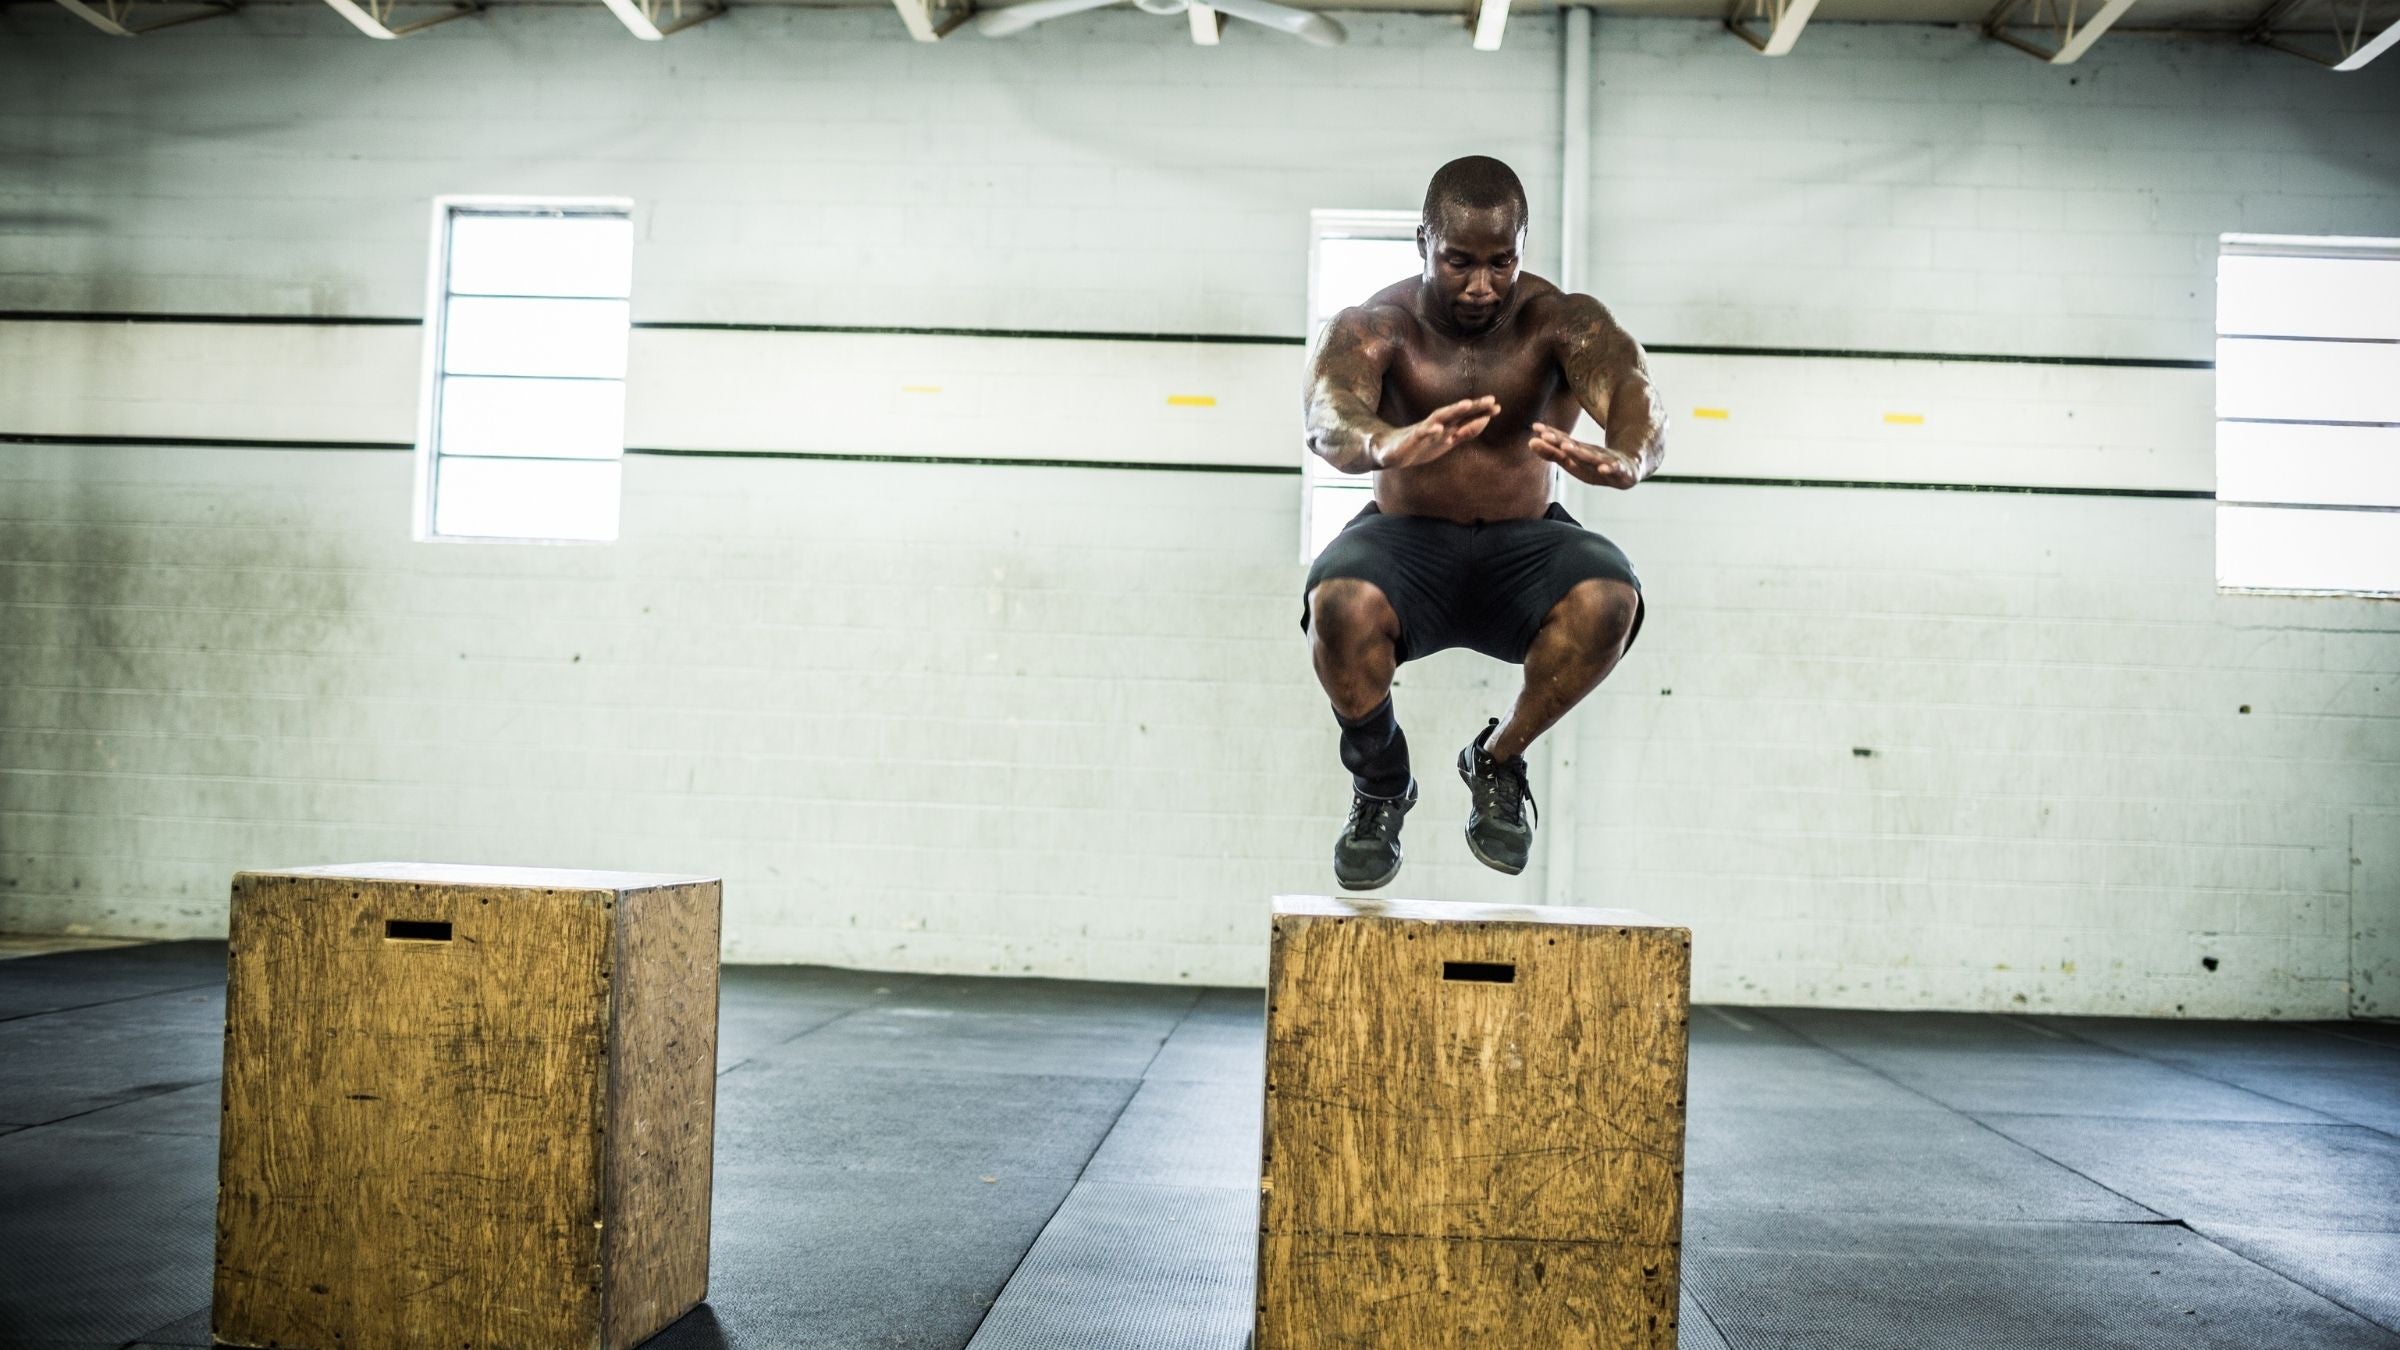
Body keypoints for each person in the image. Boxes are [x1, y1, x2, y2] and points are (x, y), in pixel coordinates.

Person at [1300, 154, 1665, 889]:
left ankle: (1497, 761)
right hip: (1404, 542)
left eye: (1502, 262)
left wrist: (1631, 455)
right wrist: (1383, 442)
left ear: (1522, 246)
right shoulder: (1377, 325)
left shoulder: (1561, 321)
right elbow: (1328, 411)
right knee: (1337, 601)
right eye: (1458, 261)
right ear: (1423, 243)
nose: (1481, 286)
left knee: (1610, 596)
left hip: (1522, 546)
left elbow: (1633, 388)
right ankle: (1380, 782)